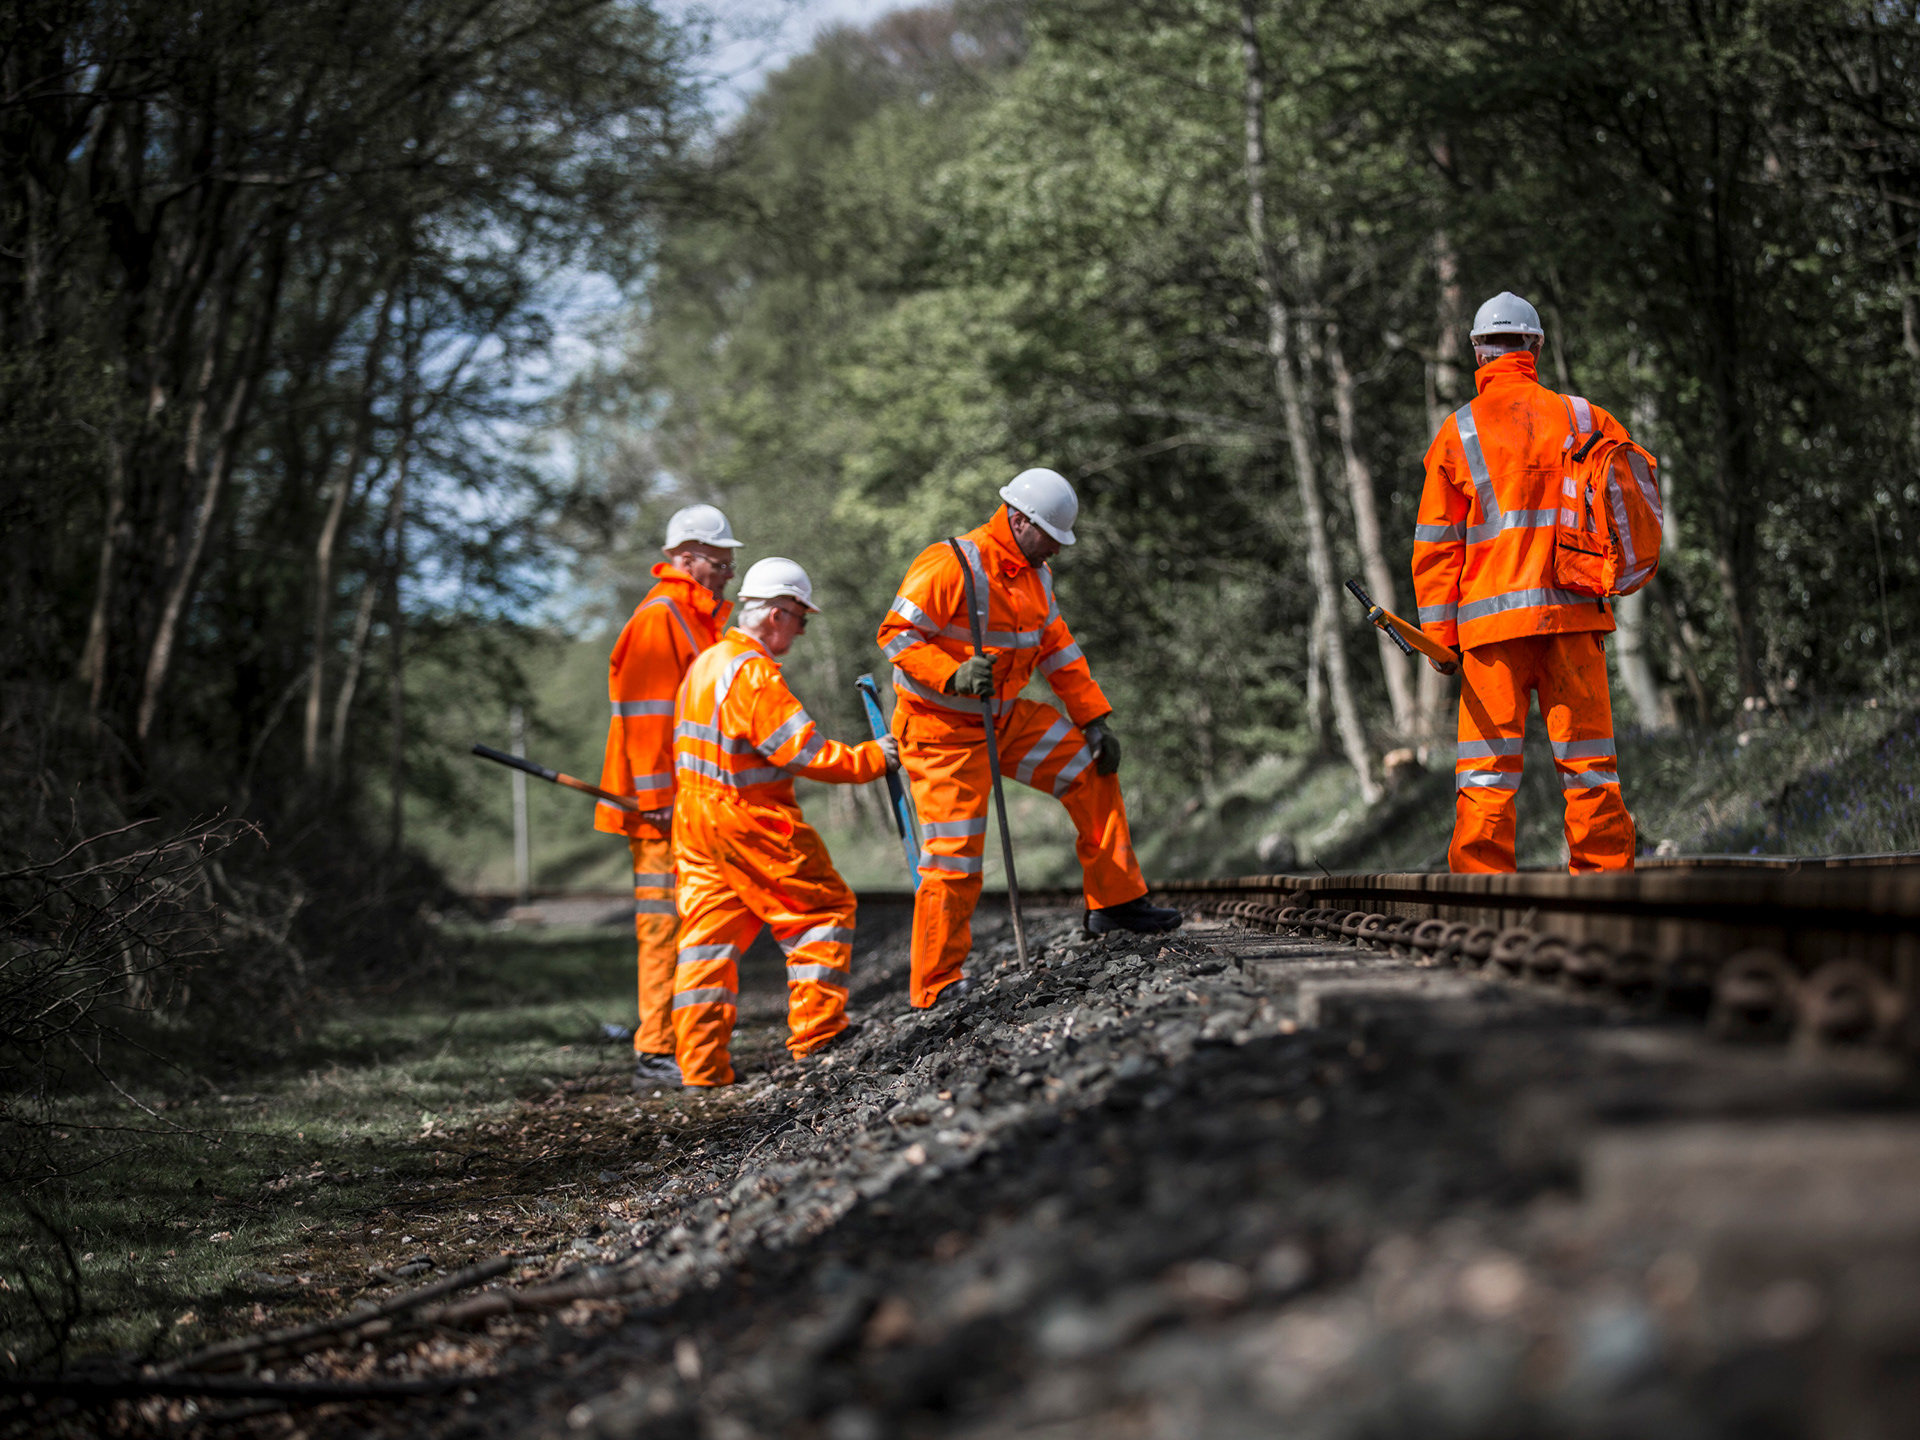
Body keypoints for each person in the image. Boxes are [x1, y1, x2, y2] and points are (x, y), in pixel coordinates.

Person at [877, 468, 1181, 1010]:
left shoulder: (1034, 576)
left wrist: (1093, 720)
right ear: (1019, 521)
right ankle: (936, 985)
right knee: (954, 859)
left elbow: (1060, 654)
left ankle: (1115, 903)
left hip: (1004, 720)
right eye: (1052, 538)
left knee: (1090, 769)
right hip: (940, 731)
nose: (1058, 552)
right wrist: (951, 674)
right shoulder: (950, 563)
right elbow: (896, 634)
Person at [1412, 291, 1639, 873]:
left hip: (1491, 631)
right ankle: (1607, 884)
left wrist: (1440, 638)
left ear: (1478, 352)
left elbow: (1438, 547)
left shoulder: (1458, 432)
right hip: (1575, 618)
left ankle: (1484, 894)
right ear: (1536, 345)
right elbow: (1630, 497)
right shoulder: (1587, 418)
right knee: (1590, 764)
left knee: (1487, 772)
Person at [670, 558, 900, 1087]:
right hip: (746, 819)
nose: (801, 629)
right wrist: (873, 758)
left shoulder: (706, 664)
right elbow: (804, 751)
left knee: (707, 940)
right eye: (801, 619)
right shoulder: (752, 672)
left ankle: (702, 1069)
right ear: (777, 614)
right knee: (823, 909)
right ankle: (819, 1035)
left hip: (696, 820)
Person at [596, 504, 742, 1089]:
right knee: (664, 925)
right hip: (660, 806)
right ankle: (656, 1051)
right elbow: (646, 716)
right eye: (720, 562)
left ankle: (684, 1042)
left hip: (689, 802)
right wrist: (657, 797)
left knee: (694, 921)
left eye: (731, 564)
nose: (728, 573)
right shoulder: (662, 617)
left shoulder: (696, 617)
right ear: (685, 558)